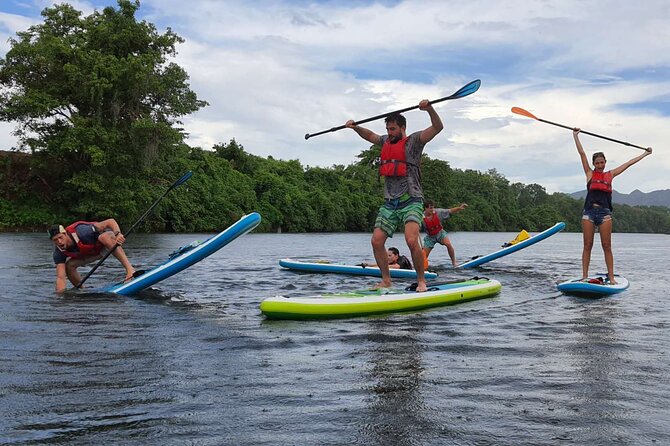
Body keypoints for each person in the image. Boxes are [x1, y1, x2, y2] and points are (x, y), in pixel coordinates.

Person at [346, 99, 443, 292]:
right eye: (388, 129)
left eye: (392, 129)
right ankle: (386, 280)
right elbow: (370, 136)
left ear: (402, 128)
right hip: (390, 203)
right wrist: (355, 128)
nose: (389, 133)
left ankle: (421, 281)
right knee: (376, 241)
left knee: (410, 240)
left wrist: (429, 109)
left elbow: (438, 127)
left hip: (411, 200)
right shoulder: (385, 141)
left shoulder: (414, 141)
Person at [573, 128, 652, 284]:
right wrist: (575, 136)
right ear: (594, 164)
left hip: (605, 214)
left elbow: (629, 163)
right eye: (597, 163)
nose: (600, 165)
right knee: (587, 245)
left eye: (602, 162)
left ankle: (612, 278)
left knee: (607, 246)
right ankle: (584, 276)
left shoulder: (611, 174)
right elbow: (582, 154)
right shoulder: (589, 173)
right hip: (589, 212)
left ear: (605, 162)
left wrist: (645, 154)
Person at [49, 219, 135, 293]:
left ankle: (130, 269)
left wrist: (118, 234)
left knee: (104, 237)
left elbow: (110, 221)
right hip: (93, 254)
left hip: (107, 244)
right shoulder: (58, 253)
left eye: (60, 237)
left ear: (65, 234)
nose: (59, 242)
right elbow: (60, 277)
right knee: (69, 265)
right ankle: (82, 290)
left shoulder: (83, 231)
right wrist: (60, 296)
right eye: (55, 240)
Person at [422, 200, 468, 267]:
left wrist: (459, 208)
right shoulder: (421, 217)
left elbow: (450, 211)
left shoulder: (438, 212)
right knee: (423, 255)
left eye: (433, 207)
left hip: (440, 233)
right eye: (430, 208)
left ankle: (454, 262)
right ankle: (421, 267)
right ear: (425, 208)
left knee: (448, 244)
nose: (432, 210)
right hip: (430, 237)